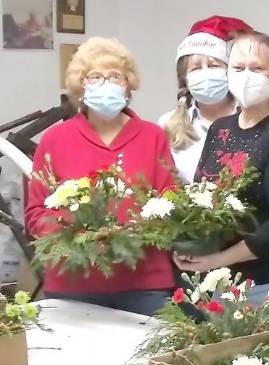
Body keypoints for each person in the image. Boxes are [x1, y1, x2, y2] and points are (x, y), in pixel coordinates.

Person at [25, 37, 176, 316]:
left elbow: (169, 201)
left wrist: (135, 233)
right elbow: (36, 211)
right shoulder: (55, 139)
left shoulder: (153, 136)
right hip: (73, 283)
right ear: (80, 87)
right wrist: (77, 240)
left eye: (115, 76)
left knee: (147, 358)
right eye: (95, 77)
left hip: (144, 283)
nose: (106, 84)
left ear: (128, 85)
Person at [174, 31, 269, 315]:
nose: (247, 75)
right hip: (223, 281)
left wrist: (219, 259)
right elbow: (202, 199)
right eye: (238, 68)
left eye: (257, 68)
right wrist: (192, 245)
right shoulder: (220, 128)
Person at [159, 16, 252, 184]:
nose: (205, 73)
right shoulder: (167, 124)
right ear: (185, 79)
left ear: (230, 70)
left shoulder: (253, 119)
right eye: (195, 68)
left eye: (214, 65)